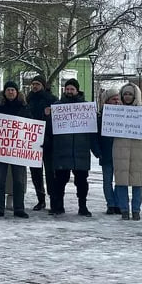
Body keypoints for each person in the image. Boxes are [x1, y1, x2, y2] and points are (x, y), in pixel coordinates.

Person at [49, 78, 99, 217]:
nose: (69, 91)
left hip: (80, 151)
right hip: (61, 150)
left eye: (72, 89)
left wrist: (96, 150)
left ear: (77, 90)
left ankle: (82, 206)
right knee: (60, 181)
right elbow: (50, 129)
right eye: (67, 89)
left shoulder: (86, 107)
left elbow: (92, 132)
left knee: (82, 182)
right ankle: (59, 206)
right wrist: (47, 115)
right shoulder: (57, 106)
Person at [0, 81, 29, 218]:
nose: (11, 92)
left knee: (19, 180)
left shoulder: (24, 107)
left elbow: (31, 127)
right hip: (1, 150)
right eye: (8, 90)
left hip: (19, 150)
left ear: (17, 92)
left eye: (13, 90)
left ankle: (19, 209)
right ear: (4, 92)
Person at [113, 83, 142, 221]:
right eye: (125, 94)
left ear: (135, 96)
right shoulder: (115, 111)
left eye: (130, 94)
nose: (127, 97)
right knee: (121, 182)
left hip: (137, 151)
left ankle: (136, 210)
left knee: (137, 182)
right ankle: (124, 209)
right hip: (120, 151)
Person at [26, 75, 56, 211]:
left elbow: (57, 122)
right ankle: (41, 199)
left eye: (37, 84)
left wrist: (49, 115)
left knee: (50, 173)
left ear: (43, 85)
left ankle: (54, 200)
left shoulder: (52, 100)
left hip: (49, 142)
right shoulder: (28, 100)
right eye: (33, 84)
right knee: (35, 174)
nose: (35, 86)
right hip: (33, 142)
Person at [96, 88, 121, 215]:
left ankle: (118, 203)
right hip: (106, 153)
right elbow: (95, 136)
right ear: (107, 101)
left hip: (120, 154)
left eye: (118, 99)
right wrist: (97, 151)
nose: (116, 102)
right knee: (107, 181)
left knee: (120, 181)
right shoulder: (100, 117)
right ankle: (110, 204)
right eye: (114, 99)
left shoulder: (124, 115)